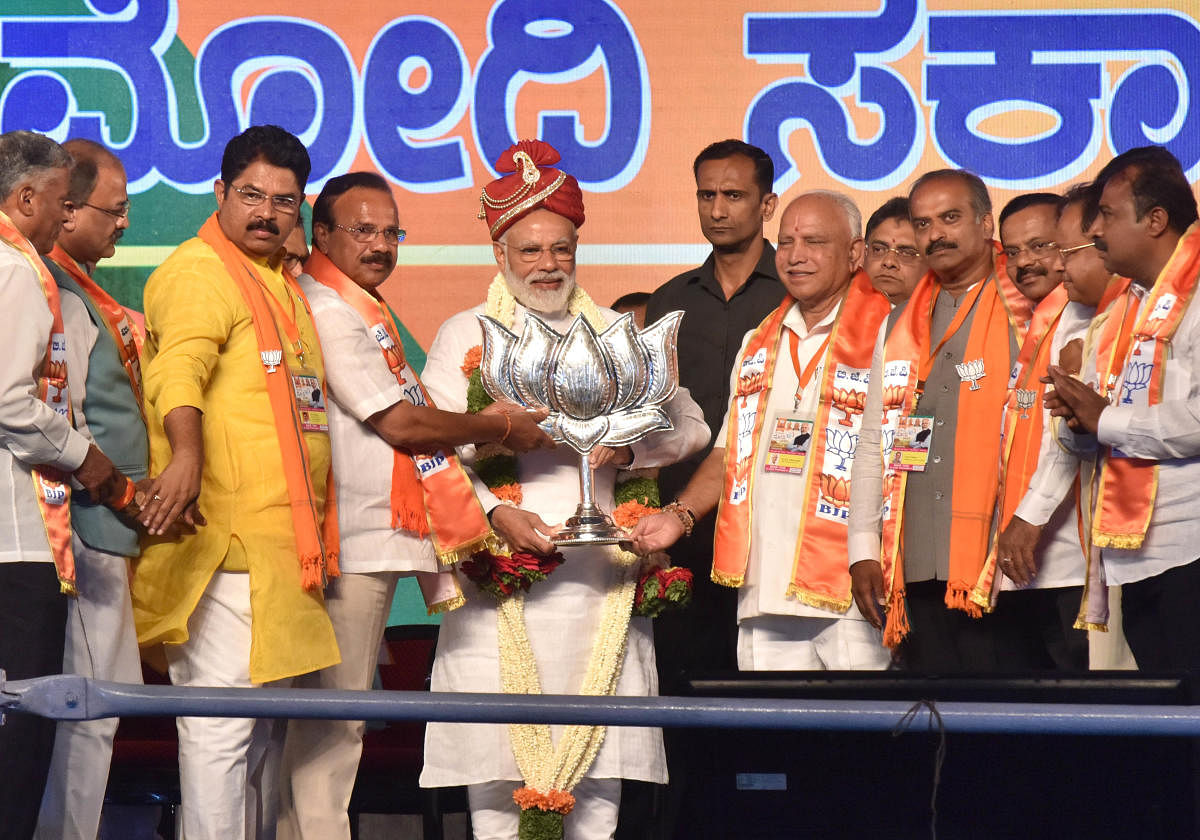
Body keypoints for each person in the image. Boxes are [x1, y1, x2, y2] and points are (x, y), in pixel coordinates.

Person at [418, 139, 708, 839]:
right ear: (500, 257)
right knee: (495, 791)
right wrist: (495, 513)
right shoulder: (467, 334)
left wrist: (633, 440)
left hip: (599, 591)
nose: (547, 264)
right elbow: (430, 449)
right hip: (499, 595)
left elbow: (694, 427)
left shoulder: (614, 332)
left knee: (599, 794)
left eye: (561, 250)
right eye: (530, 251)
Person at [276, 171, 552, 840]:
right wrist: (500, 428)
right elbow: (400, 425)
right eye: (361, 230)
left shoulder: (364, 309)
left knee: (331, 726)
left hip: (371, 543)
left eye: (389, 232)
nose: (379, 245)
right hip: (351, 545)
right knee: (331, 729)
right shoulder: (331, 310)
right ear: (323, 234)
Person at [130, 125, 338, 840]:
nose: (267, 212)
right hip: (226, 548)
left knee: (256, 749)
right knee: (220, 740)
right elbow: (177, 370)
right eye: (250, 194)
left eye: (285, 200)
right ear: (219, 194)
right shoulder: (200, 273)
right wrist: (185, 455)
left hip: (280, 554)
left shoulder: (278, 283)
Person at [630, 191, 893, 671]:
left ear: (854, 253)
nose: (795, 255)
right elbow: (728, 452)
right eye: (787, 241)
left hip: (853, 586)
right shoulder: (758, 341)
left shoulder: (889, 331)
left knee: (864, 739)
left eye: (814, 241)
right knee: (772, 740)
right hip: (762, 588)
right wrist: (679, 515)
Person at [0, 130, 128, 840]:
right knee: (21, 738)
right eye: (59, 202)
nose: (63, 217)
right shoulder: (17, 270)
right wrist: (89, 459)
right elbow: (10, 402)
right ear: (25, 198)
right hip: (17, 547)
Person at [848, 169, 1028, 671]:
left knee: (1015, 725)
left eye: (951, 218)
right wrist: (864, 547)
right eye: (924, 223)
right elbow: (872, 441)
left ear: (986, 221)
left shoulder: (1025, 304)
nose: (936, 234)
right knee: (937, 724)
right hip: (916, 557)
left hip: (1006, 563)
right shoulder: (903, 319)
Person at [1044, 145, 1200, 673]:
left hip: (1190, 551)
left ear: (1156, 220)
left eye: (1107, 215)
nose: (1097, 232)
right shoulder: (1125, 303)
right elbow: (1108, 418)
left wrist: (1103, 418)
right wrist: (1078, 419)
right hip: (1137, 555)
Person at [33, 138, 150, 840]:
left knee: (96, 714)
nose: (126, 224)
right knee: (83, 715)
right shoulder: (48, 288)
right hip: (79, 531)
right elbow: (61, 418)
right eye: (116, 209)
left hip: (107, 530)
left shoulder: (82, 287)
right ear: (67, 209)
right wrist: (124, 492)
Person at [970, 191, 1094, 671]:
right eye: (1014, 251)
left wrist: (1030, 516)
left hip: (1072, 564)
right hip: (1026, 568)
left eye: (1041, 246)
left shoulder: (1086, 317)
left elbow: (1072, 440)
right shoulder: (1037, 322)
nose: (1025, 262)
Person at [863, 196, 926, 306]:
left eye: (906, 253)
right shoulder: (834, 317)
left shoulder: (948, 320)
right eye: (878, 250)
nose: (889, 262)